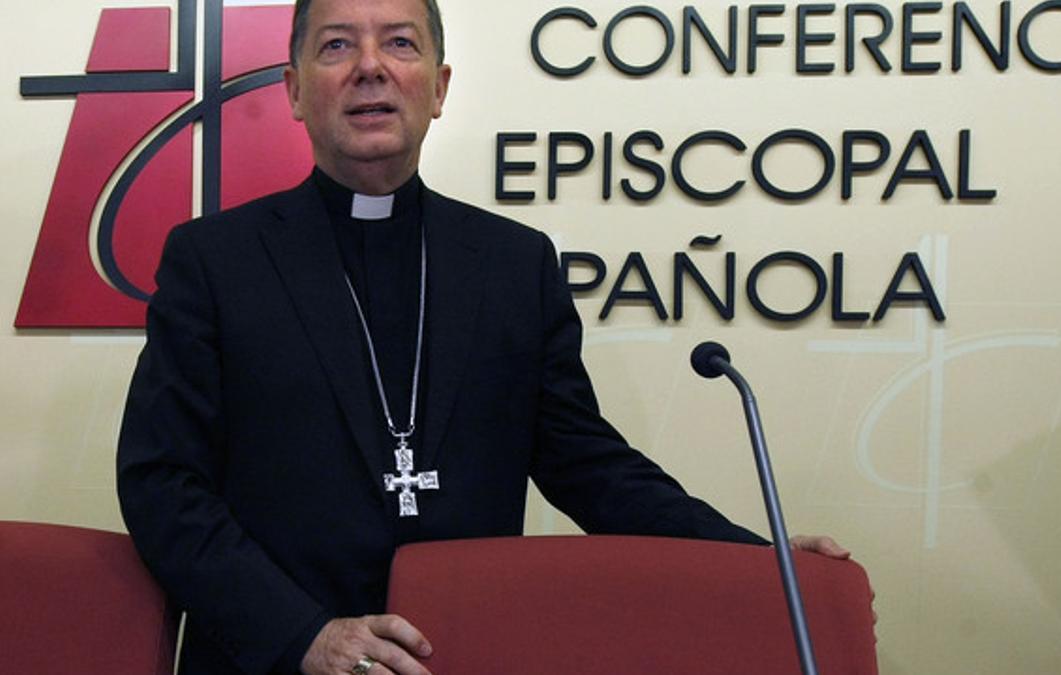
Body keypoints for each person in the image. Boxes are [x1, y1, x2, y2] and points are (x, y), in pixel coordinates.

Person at [116, 1, 850, 673]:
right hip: (274, 659)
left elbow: (588, 465)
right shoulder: (214, 260)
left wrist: (760, 559)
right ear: (294, 89)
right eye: (337, 45)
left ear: (437, 87)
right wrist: (303, 634)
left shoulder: (512, 264)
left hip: (462, 653)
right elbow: (161, 482)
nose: (370, 66)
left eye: (399, 43)